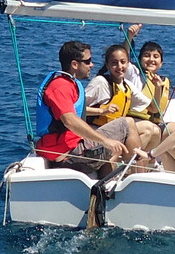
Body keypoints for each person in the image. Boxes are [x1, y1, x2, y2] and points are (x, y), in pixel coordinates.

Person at [33, 40, 135, 177]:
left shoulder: (70, 84)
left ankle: (106, 184)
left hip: (73, 148)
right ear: (75, 64)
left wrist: (101, 111)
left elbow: (74, 111)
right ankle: (138, 177)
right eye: (87, 61)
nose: (92, 65)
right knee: (127, 124)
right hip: (68, 154)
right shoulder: (60, 87)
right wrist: (105, 141)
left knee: (112, 146)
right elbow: (69, 120)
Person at [85, 43, 158, 154]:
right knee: (143, 126)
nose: (119, 67)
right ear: (107, 65)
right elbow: (76, 109)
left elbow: (154, 109)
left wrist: (157, 87)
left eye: (123, 62)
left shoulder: (127, 85)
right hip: (97, 132)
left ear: (128, 64)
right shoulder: (100, 82)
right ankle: (130, 160)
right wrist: (101, 111)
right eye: (114, 63)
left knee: (155, 131)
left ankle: (136, 161)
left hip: (116, 131)